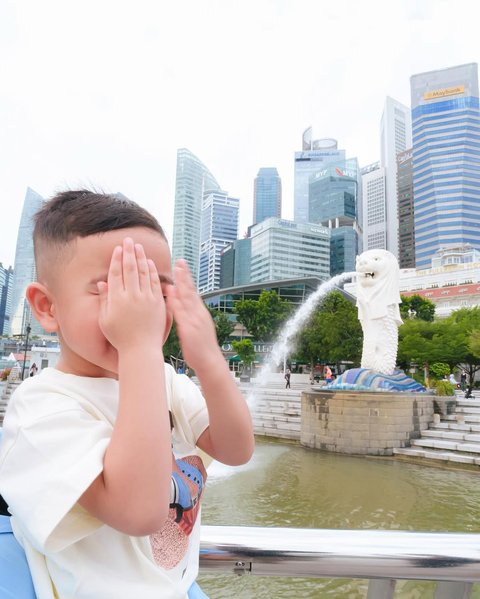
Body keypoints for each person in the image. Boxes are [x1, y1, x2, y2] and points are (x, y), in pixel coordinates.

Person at [0, 190, 254, 599]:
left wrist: (209, 359)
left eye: (158, 289)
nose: (142, 306)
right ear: (47, 307)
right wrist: (138, 346)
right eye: (113, 286)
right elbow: (139, 513)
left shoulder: (165, 377)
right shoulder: (40, 409)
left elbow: (236, 448)